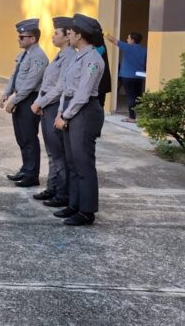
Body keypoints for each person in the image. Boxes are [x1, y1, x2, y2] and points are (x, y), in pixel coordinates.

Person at [54, 13, 105, 226]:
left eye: (72, 33)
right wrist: (60, 112)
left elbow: (83, 93)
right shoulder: (78, 56)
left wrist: (66, 115)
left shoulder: (93, 60)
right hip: (71, 110)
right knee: (72, 161)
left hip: (84, 112)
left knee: (84, 164)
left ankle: (87, 211)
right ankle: (74, 204)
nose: (69, 35)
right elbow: (67, 88)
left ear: (80, 35)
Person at [31, 17, 76, 207]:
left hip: (55, 106)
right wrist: (40, 102)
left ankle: (62, 193)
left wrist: (40, 102)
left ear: (67, 37)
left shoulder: (70, 57)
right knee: (52, 152)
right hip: (47, 107)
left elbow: (59, 88)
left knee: (58, 153)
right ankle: (52, 187)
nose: (53, 36)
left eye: (57, 33)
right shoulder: (59, 55)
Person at [2, 19, 49, 187]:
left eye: (22, 37)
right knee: (21, 137)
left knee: (29, 138)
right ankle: (25, 168)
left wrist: (14, 100)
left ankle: (32, 175)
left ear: (33, 39)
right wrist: (6, 93)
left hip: (29, 99)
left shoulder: (39, 57)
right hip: (20, 98)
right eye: (19, 36)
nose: (19, 39)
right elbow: (15, 76)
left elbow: (30, 82)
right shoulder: (24, 54)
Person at [105, 31, 147, 122]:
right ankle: (142, 115)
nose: (127, 40)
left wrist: (105, 34)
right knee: (138, 96)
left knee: (131, 97)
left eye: (128, 38)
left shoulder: (128, 47)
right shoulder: (144, 50)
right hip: (139, 76)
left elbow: (114, 40)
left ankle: (132, 117)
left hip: (128, 76)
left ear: (133, 40)